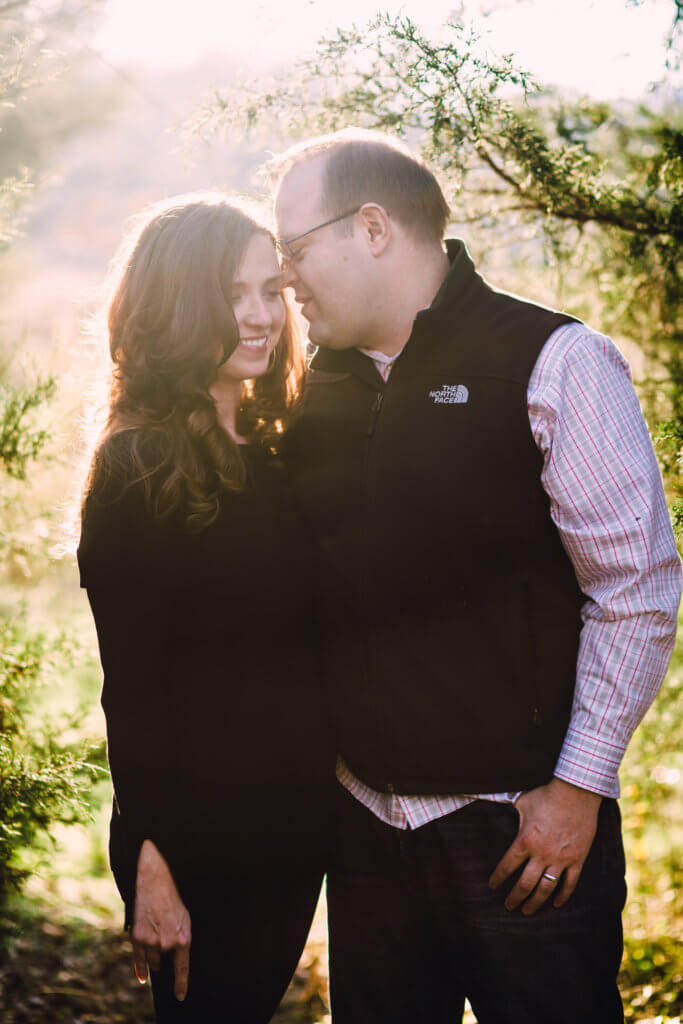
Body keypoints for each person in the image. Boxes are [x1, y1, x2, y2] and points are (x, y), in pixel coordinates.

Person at [270, 130, 682, 1023]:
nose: (286, 279)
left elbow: (635, 589)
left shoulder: (553, 362)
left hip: (522, 830)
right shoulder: (312, 394)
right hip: (368, 828)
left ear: (371, 227)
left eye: (294, 251)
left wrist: (576, 789)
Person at [78, 193, 333, 1022]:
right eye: (234, 294)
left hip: (294, 825)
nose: (262, 316)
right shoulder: (137, 468)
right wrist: (148, 863)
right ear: (179, 302)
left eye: (272, 290)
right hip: (200, 838)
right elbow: (134, 686)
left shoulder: (271, 453)